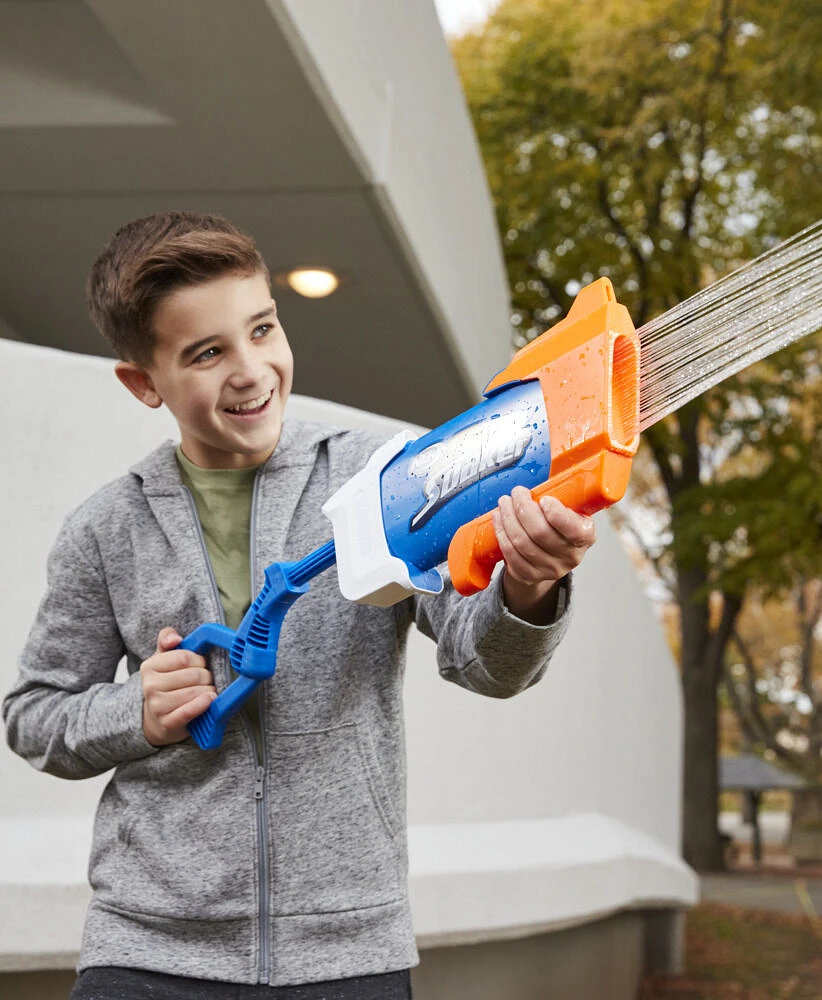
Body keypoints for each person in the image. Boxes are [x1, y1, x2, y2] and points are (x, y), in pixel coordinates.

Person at [3, 212, 596, 999]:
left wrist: (527, 588)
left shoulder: (383, 479)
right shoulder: (104, 530)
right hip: (147, 954)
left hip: (349, 952)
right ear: (143, 382)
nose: (251, 370)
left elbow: (482, 662)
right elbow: (33, 715)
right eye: (207, 352)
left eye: (262, 330)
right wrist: (133, 713)